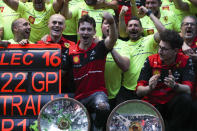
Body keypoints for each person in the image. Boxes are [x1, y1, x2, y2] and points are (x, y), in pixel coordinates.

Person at [62, 13, 117, 130]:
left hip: (97, 94)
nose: (85, 32)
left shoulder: (100, 47)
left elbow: (112, 39)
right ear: (77, 31)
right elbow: (61, 74)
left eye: (89, 29)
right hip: (79, 97)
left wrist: (111, 23)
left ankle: (97, 126)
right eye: (82, 29)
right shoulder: (70, 51)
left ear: (94, 32)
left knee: (103, 107)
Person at [136, 29, 195, 131]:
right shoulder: (150, 60)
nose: (160, 51)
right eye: (159, 47)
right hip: (153, 103)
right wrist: (149, 88)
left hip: (172, 104)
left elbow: (188, 89)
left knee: (187, 100)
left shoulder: (185, 61)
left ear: (175, 51)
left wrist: (175, 86)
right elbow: (139, 91)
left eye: (164, 49)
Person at [116, 5, 165, 105]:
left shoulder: (149, 40)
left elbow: (164, 33)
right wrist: (121, 16)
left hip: (148, 89)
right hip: (127, 91)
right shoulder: (122, 45)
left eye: (136, 25)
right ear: (126, 30)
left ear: (142, 29)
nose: (133, 28)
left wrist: (149, 13)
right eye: (130, 26)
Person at [37, 14, 75, 93]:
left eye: (60, 23)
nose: (57, 25)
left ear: (64, 27)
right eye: (54, 22)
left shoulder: (72, 46)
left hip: (65, 91)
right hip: (43, 89)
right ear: (48, 25)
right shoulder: (39, 44)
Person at [102, 16, 130, 109]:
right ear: (101, 27)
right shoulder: (94, 42)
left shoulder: (124, 44)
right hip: (97, 93)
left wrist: (110, 46)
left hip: (117, 94)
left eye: (112, 24)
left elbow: (125, 67)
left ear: (116, 28)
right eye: (106, 23)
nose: (109, 26)